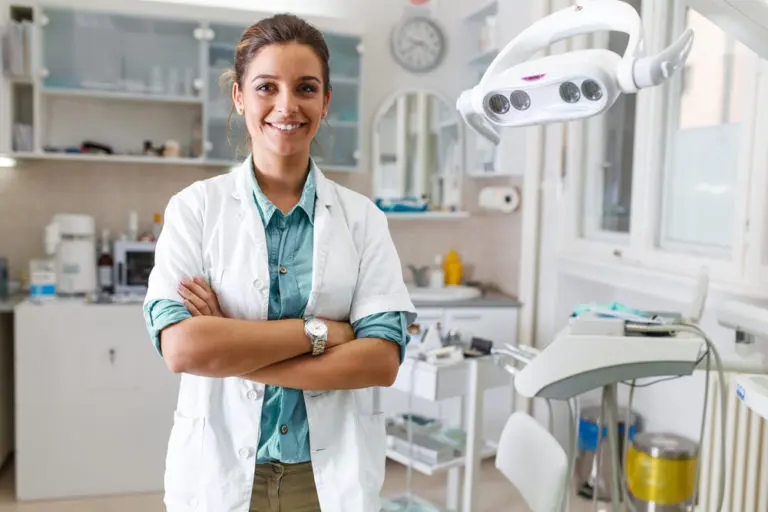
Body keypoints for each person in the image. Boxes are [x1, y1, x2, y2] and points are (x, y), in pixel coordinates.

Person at [142, 13, 417, 512]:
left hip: (325, 477)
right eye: (266, 86)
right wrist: (323, 333)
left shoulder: (362, 220)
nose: (286, 106)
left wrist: (230, 345)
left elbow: (381, 361)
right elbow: (182, 349)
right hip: (220, 471)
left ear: (326, 102)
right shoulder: (195, 209)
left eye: (306, 88)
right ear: (240, 97)